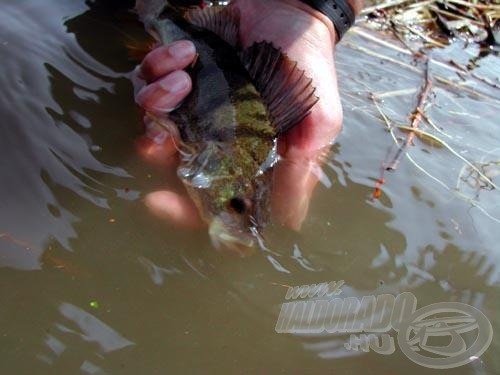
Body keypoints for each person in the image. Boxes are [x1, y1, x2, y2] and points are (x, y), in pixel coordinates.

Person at [134, 0, 363, 230]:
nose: (232, 216)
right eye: (236, 206)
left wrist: (309, 9)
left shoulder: (250, 160)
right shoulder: (229, 158)